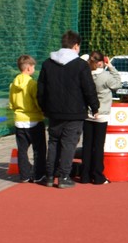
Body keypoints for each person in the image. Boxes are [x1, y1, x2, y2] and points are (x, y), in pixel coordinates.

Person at [37, 30, 98, 189]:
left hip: (54, 111)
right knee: (69, 144)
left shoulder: (47, 63)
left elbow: (41, 89)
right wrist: (95, 106)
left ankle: (50, 176)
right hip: (75, 111)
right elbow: (88, 88)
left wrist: (43, 106)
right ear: (76, 46)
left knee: (53, 142)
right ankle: (64, 176)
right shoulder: (81, 65)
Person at [84, 51, 121, 185]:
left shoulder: (86, 75)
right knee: (98, 146)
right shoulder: (105, 76)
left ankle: (85, 175)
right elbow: (117, 84)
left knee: (87, 145)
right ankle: (98, 175)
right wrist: (110, 66)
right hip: (101, 113)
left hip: (87, 113)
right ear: (101, 62)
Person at [9, 55, 47, 184]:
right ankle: (38, 175)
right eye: (33, 67)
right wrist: (42, 111)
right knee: (39, 149)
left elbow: (11, 103)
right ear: (29, 68)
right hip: (33, 119)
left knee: (22, 150)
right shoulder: (32, 83)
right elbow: (37, 101)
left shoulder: (13, 84)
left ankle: (24, 175)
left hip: (19, 119)